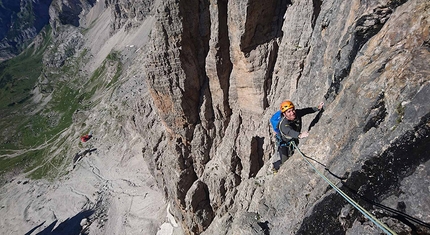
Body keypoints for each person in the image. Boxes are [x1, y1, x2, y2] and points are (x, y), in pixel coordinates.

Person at [272, 100, 324, 172]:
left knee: (291, 156)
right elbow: (289, 131)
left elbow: (306, 111)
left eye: (292, 110)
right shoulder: (283, 124)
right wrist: (300, 135)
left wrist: (317, 108)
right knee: (285, 162)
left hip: (293, 141)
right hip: (283, 144)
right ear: (284, 114)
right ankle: (275, 166)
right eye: (289, 112)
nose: (292, 113)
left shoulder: (297, 113)